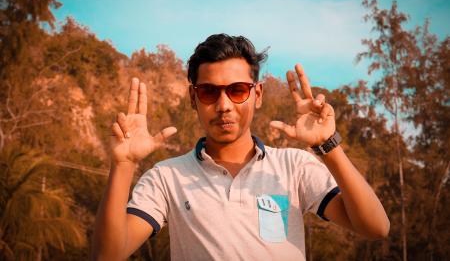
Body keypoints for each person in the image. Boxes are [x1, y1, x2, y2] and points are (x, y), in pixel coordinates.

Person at [92, 34, 390, 260]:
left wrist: (329, 144)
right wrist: (122, 164)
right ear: (193, 99)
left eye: (237, 90)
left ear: (257, 94)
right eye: (209, 92)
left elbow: (376, 227)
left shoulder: (294, 167)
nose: (223, 106)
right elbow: (108, 255)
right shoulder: (166, 177)